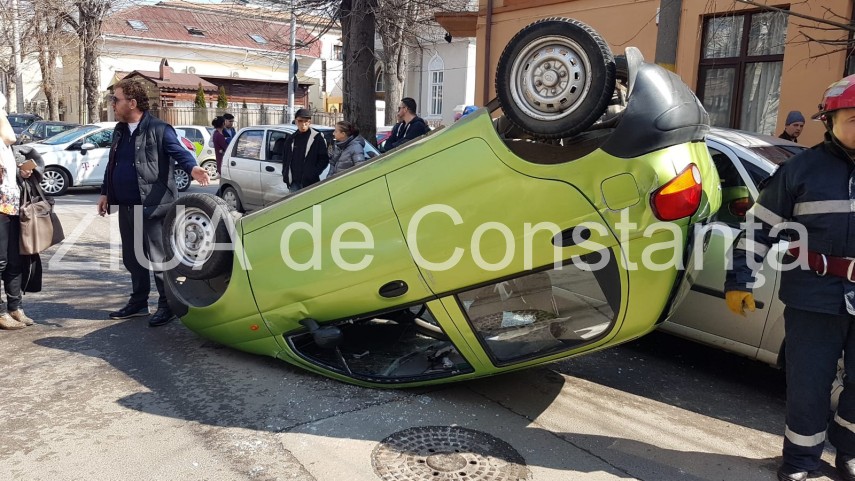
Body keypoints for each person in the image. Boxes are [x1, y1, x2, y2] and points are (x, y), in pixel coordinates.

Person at [725, 74, 855, 481]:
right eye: (854, 117)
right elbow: (757, 229)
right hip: (813, 295)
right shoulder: (799, 170)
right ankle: (801, 458)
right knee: (809, 384)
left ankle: (849, 450)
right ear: (830, 121)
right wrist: (739, 279)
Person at [97, 78, 209, 327]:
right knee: (133, 259)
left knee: (159, 261)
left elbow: (180, 153)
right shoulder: (119, 130)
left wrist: (193, 169)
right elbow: (112, 164)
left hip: (154, 207)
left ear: (133, 102)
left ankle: (167, 305)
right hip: (127, 206)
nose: (113, 104)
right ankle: (138, 303)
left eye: (116, 99)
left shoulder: (160, 128)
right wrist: (106, 192)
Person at [0, 94, 28, 330]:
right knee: (0, 260)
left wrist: (23, 171)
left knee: (14, 259)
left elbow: (11, 139)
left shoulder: (7, 144)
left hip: (12, 203)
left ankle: (15, 307)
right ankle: (0, 312)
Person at [281, 108, 329, 193]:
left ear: (310, 122)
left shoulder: (317, 137)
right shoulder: (291, 139)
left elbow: (324, 159)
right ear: (296, 121)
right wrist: (285, 175)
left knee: (316, 206)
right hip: (294, 183)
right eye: (300, 121)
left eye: (306, 121)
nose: (303, 124)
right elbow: (285, 159)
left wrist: (313, 173)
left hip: (311, 183)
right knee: (296, 206)